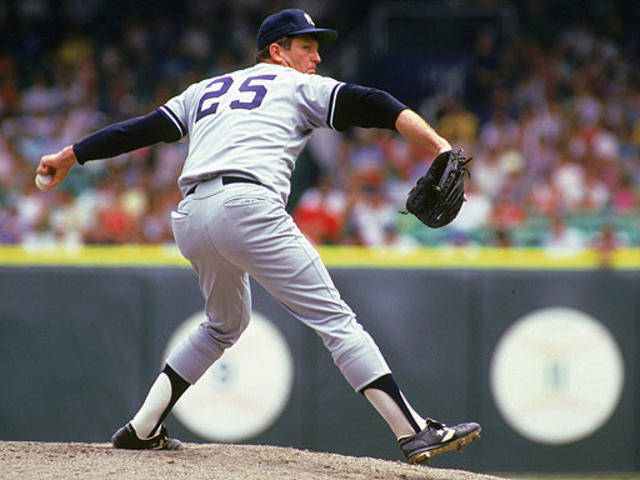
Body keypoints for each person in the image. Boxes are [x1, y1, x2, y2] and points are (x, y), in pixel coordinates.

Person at [36, 9, 481, 464]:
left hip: (191, 216)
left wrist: (71, 155)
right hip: (247, 207)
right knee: (336, 321)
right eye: (306, 46)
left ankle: (142, 427)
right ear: (277, 51)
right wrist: (441, 146)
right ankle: (413, 431)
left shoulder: (204, 89)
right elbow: (375, 103)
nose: (316, 55)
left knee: (223, 324)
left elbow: (141, 129)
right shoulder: (297, 84)